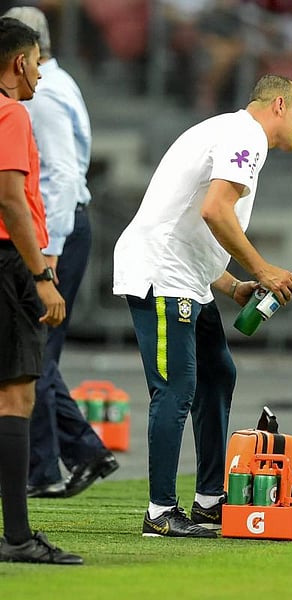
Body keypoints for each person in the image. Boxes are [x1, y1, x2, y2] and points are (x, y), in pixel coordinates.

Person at [113, 74, 292, 538]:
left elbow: (184, 216)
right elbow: (215, 211)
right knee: (176, 388)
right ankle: (160, 512)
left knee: (219, 373)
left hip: (188, 278)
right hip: (163, 277)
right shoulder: (246, 136)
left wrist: (231, 285)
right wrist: (263, 270)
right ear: (278, 105)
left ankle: (208, 501)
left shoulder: (228, 132)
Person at [3, 6, 119, 500]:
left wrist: (45, 258)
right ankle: (77, 453)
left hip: (51, 233)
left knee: (34, 355)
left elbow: (63, 178)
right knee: (36, 353)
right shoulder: (53, 85)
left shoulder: (41, 97)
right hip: (51, 231)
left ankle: (44, 465)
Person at [0, 16, 81, 565]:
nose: (38, 73)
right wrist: (42, 276)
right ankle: (18, 538)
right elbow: (10, 198)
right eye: (36, 62)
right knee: (15, 396)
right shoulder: (10, 112)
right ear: (20, 61)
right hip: (10, 264)